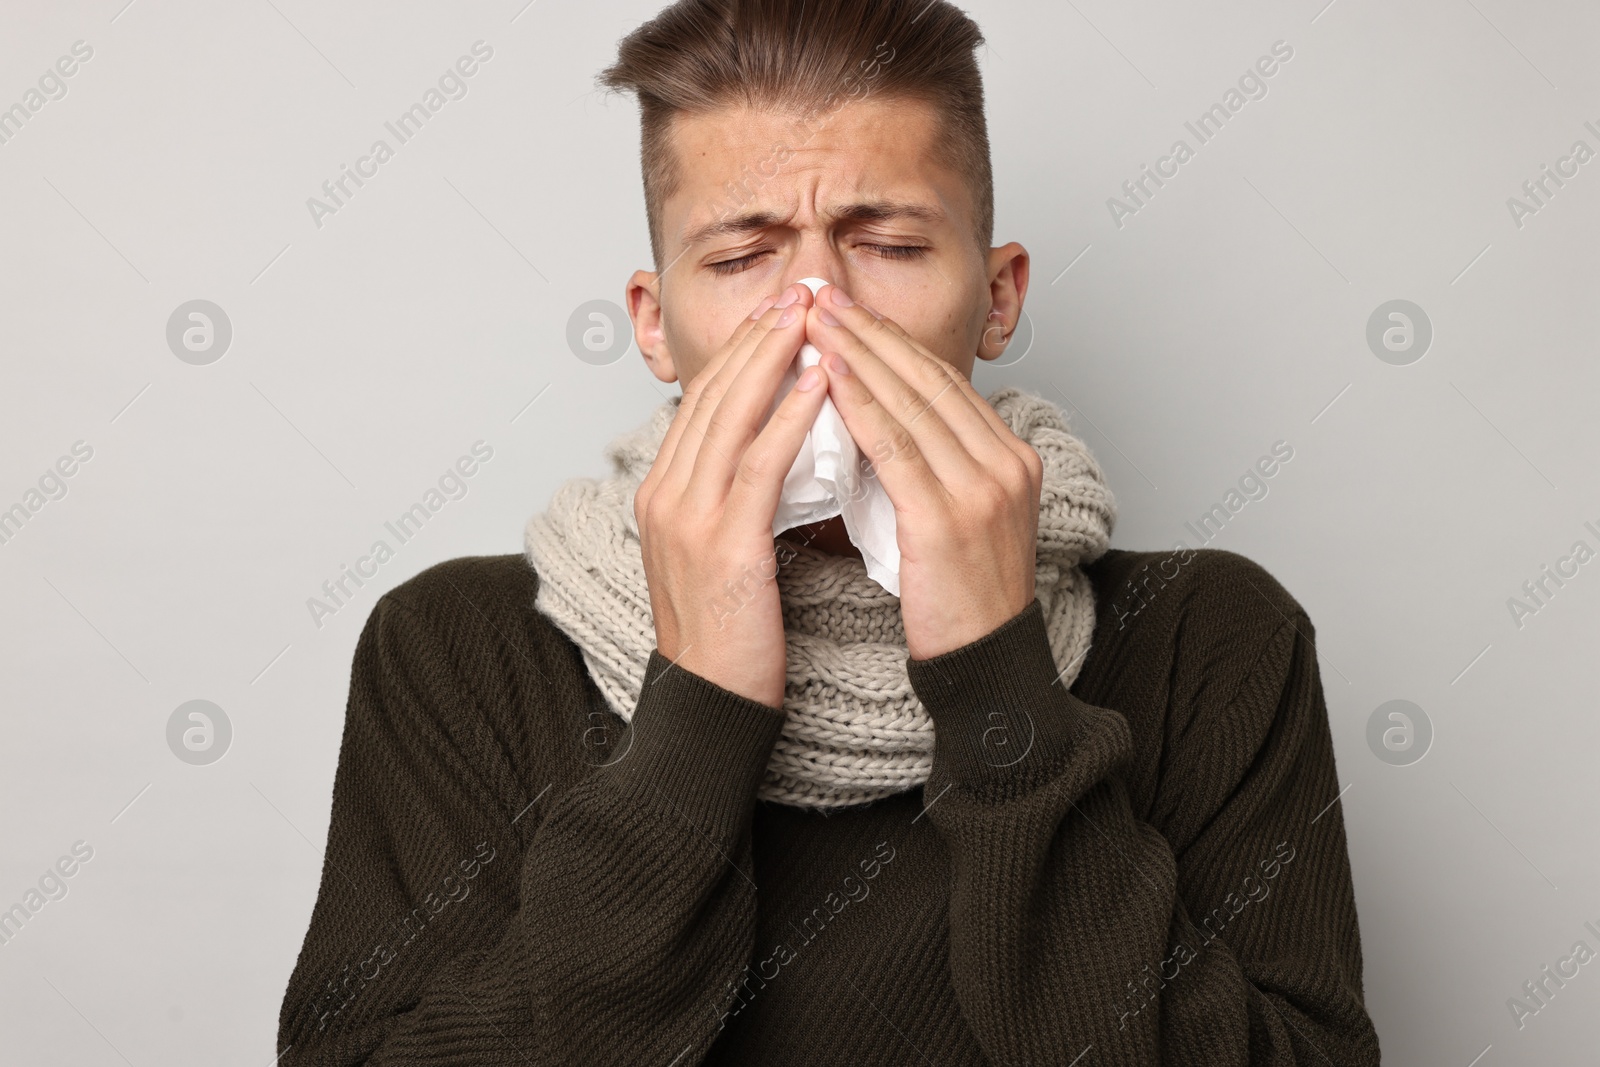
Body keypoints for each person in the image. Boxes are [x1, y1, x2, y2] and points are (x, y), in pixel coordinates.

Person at [274, 0, 1381, 1063]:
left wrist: (1000, 680)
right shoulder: (459, 649)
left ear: (995, 299)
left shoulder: (1212, 640)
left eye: (888, 244)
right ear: (656, 325)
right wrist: (697, 707)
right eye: (739, 256)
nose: (816, 316)